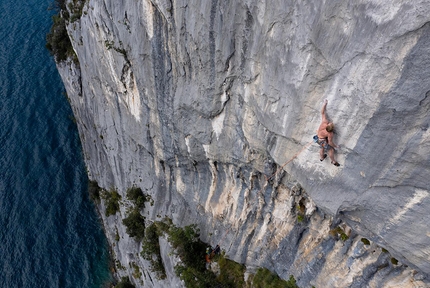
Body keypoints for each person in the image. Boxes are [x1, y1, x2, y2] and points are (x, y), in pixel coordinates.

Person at [317, 99, 340, 166]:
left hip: (318, 138)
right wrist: (335, 146)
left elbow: (322, 113)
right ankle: (333, 161)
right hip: (322, 141)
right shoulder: (330, 134)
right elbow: (330, 142)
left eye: (330, 123)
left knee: (322, 148)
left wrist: (324, 104)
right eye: (331, 123)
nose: (331, 122)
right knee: (331, 150)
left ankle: (321, 158)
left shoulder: (324, 123)